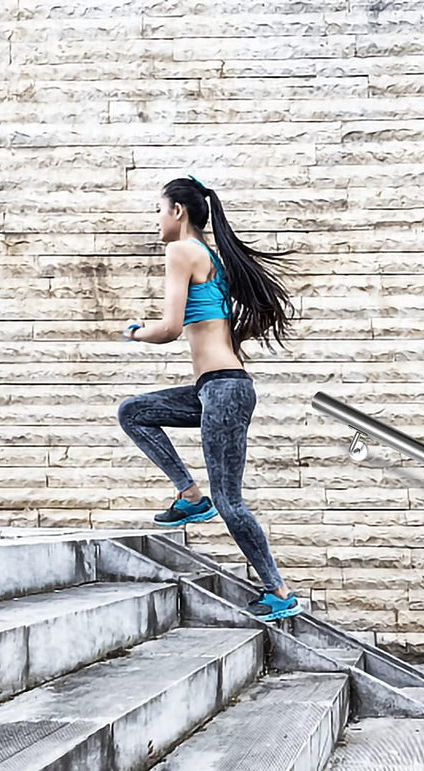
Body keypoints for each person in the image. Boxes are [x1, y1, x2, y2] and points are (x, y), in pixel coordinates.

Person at [117, 174, 304, 623]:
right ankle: (188, 495)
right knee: (135, 411)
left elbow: (169, 328)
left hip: (223, 388)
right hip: (215, 389)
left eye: (158, 210)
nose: (156, 220)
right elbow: (248, 316)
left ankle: (277, 590)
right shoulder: (213, 259)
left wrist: (135, 332)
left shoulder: (181, 250)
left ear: (177, 212)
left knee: (230, 501)